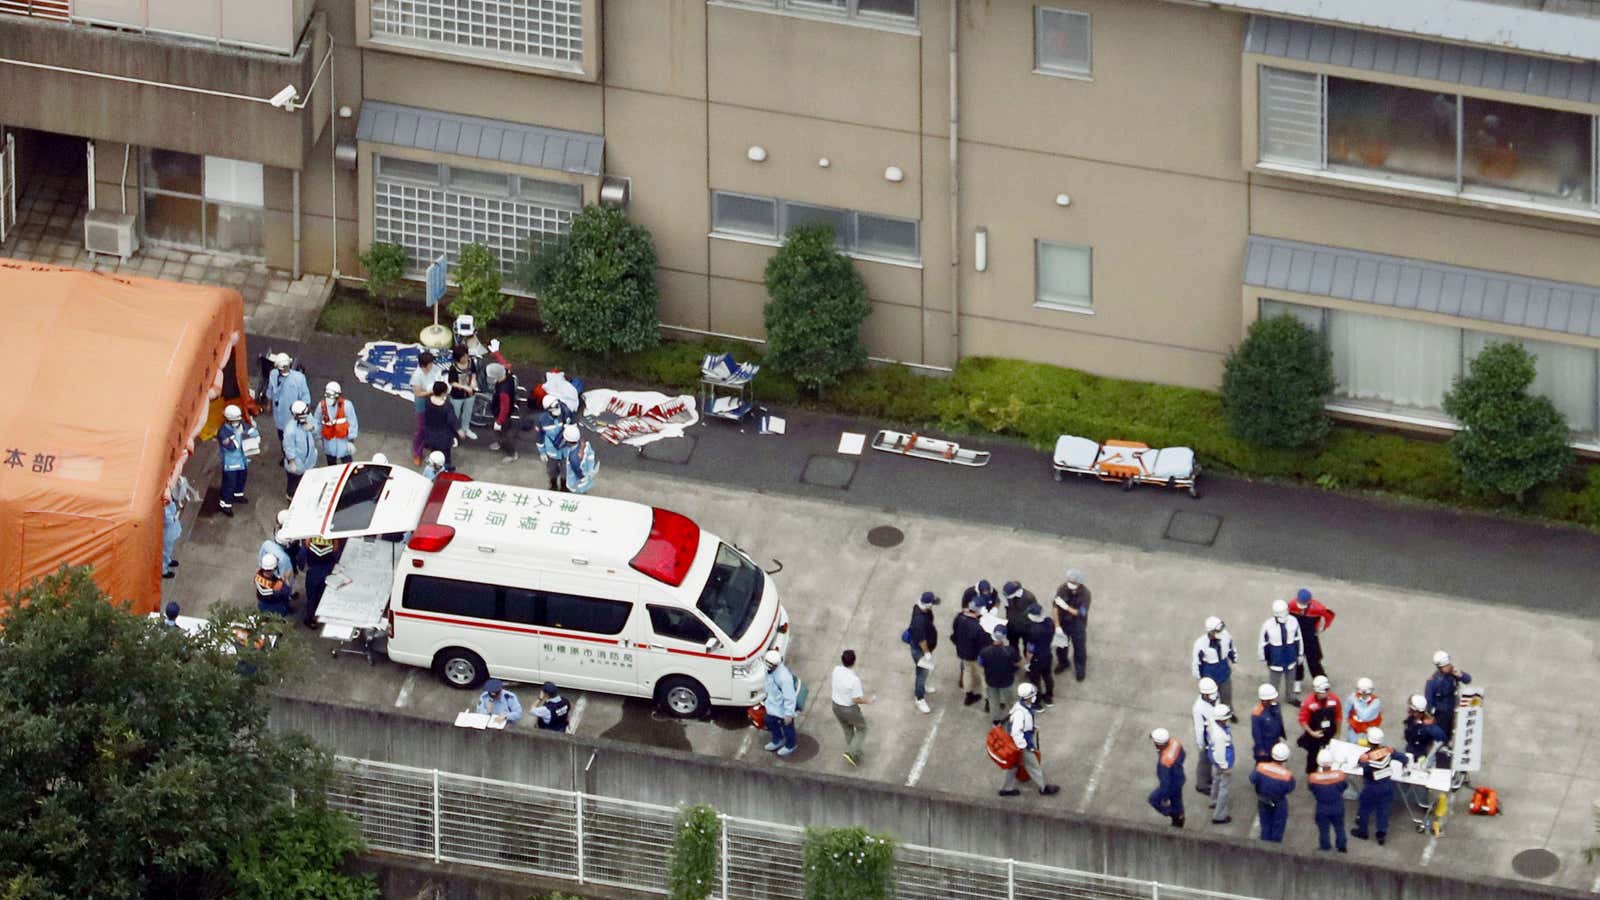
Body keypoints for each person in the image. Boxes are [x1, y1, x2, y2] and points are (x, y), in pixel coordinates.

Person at [998, 682, 1060, 797]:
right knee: (1034, 765)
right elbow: (1016, 732)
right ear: (1029, 696)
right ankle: (1043, 788)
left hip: (1017, 743)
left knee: (1013, 766)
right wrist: (1023, 746)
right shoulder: (1021, 713)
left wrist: (1032, 727)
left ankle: (1006, 789)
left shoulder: (1020, 706)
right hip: (1022, 744)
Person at [1351, 727, 1407, 845]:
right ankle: (1381, 834)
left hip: (1371, 787)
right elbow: (1403, 758)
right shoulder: (1388, 751)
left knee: (1364, 809)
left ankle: (1363, 832)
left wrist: (1360, 760)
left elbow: (1360, 765)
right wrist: (1405, 765)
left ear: (1368, 740)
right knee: (1383, 810)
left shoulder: (1366, 757)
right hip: (1387, 786)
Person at [1287, 588, 1337, 690]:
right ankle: (1297, 682)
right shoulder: (1291, 605)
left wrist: (1323, 628)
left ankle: (1321, 681)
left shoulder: (1318, 607)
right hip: (1296, 637)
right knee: (1296, 660)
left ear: (1309, 601)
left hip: (1310, 638)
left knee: (1314, 660)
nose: (1302, 606)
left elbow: (1330, 615)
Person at [1259, 599, 1303, 707]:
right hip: (1276, 655)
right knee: (1274, 680)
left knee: (1290, 678)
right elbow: (1263, 642)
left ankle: (1290, 697)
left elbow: (1298, 638)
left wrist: (1300, 653)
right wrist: (1263, 657)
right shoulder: (1268, 625)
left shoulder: (1293, 621)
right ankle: (1272, 700)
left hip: (1290, 653)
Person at [830, 649, 871, 766]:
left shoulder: (836, 670)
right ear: (854, 661)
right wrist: (868, 701)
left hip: (835, 706)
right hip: (849, 709)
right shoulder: (854, 680)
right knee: (862, 728)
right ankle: (851, 752)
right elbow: (856, 699)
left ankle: (855, 754)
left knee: (847, 729)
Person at [1250, 742, 1296, 843]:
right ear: (1285, 759)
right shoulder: (1287, 775)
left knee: (1265, 824)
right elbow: (1290, 788)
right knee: (1278, 827)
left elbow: (1252, 779)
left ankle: (1264, 844)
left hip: (1263, 800)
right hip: (1279, 802)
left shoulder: (1261, 767)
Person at [216, 404, 257, 516]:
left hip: (242, 461)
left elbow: (252, 431)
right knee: (229, 484)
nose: (236, 423)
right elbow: (231, 447)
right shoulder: (223, 432)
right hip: (230, 464)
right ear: (227, 420)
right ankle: (225, 504)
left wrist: (253, 432)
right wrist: (239, 433)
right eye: (234, 421)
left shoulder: (240, 424)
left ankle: (238, 495)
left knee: (241, 480)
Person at [408, 349, 448, 465]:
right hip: (422, 404)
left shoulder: (434, 369)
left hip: (433, 402)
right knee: (421, 429)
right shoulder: (417, 376)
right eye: (430, 363)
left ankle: (429, 443)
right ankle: (417, 453)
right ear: (424, 365)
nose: (432, 365)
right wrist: (431, 392)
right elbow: (418, 393)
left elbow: (439, 377)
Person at [1297, 675, 1341, 775]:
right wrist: (1312, 733)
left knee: (1330, 755)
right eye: (1322, 692)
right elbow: (1302, 720)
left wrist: (1338, 733)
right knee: (1312, 756)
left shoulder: (1334, 700)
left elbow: (1338, 717)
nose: (1325, 694)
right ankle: (1311, 774)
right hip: (1314, 733)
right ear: (1316, 691)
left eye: (1326, 691)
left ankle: (1328, 774)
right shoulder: (1308, 702)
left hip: (1330, 731)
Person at [1425, 651, 1472, 745]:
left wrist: (1460, 675)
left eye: (1449, 664)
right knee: (1441, 740)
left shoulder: (1453, 674)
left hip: (1453, 712)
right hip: (1440, 715)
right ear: (1440, 667)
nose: (1449, 666)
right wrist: (1432, 716)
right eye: (1446, 666)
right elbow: (1429, 702)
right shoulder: (1433, 681)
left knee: (1453, 737)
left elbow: (1468, 679)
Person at [1192, 616, 1238, 711]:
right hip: (1210, 675)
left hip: (1224, 672)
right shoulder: (1200, 644)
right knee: (1210, 699)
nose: (1220, 633)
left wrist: (1234, 660)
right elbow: (1196, 663)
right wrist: (1200, 678)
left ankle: (1228, 712)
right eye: (1217, 631)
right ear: (1211, 632)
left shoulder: (1226, 636)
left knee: (1226, 696)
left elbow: (1231, 648)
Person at [1307, 748, 1349, 852]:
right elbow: (1344, 786)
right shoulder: (1340, 775)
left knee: (1323, 830)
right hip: (1337, 805)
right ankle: (1342, 847)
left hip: (1322, 807)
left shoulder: (1313, 778)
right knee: (1339, 827)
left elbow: (1312, 789)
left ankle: (1325, 848)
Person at [264, 352, 310, 447]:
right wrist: (268, 404)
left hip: (293, 416)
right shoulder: (273, 375)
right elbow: (270, 390)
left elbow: (306, 398)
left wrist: (302, 414)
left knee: (294, 438)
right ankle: (285, 454)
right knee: (282, 438)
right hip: (279, 415)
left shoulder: (299, 378)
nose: (284, 371)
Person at [1052, 569, 1090, 681]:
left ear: (1079, 583)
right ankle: (1063, 663)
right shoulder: (1062, 589)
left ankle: (1080, 669)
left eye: (1073, 583)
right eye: (1069, 581)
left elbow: (1080, 613)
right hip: (1063, 622)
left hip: (1078, 624)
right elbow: (1055, 608)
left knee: (1079, 649)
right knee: (1061, 646)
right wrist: (1057, 625)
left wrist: (1066, 607)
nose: (1070, 584)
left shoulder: (1085, 594)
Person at [951, 598, 989, 707]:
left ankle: (969, 695)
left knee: (967, 672)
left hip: (963, 652)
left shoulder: (959, 618)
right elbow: (984, 644)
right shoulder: (978, 627)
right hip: (976, 656)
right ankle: (988, 701)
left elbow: (954, 632)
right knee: (984, 677)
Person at [301, 535, 344, 629]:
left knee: (312, 597)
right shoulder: (332, 541)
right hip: (326, 570)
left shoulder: (311, 538)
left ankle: (310, 618)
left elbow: (305, 549)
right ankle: (315, 614)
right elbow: (336, 550)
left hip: (314, 571)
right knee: (319, 595)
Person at [978, 627, 1019, 724]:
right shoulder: (1010, 651)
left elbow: (980, 663)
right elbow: (1017, 663)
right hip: (1007, 681)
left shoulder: (984, 651)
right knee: (1010, 701)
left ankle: (996, 721)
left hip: (991, 680)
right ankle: (1014, 717)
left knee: (993, 702)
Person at [908, 591, 939, 714]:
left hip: (925, 647)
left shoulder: (922, 609)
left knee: (924, 672)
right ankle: (919, 698)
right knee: (922, 674)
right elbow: (921, 640)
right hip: (919, 651)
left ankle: (924, 687)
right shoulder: (919, 620)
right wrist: (926, 653)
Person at [762, 649, 798, 756]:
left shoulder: (784, 677)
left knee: (788, 728)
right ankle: (778, 739)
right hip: (773, 705)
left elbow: (790, 697)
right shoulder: (770, 671)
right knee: (769, 721)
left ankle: (791, 745)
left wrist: (789, 714)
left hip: (783, 709)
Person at [282, 399, 319, 501]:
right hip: (297, 462)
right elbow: (288, 447)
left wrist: (311, 428)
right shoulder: (290, 429)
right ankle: (291, 497)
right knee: (293, 482)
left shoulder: (308, 418)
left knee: (306, 479)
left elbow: (317, 427)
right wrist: (292, 462)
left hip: (309, 458)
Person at [1148, 728, 1186, 827]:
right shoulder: (1175, 743)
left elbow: (1165, 783)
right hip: (1179, 777)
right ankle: (1179, 817)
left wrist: (1164, 798)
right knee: (1177, 800)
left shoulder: (1165, 761)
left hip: (1172, 783)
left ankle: (1173, 814)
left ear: (1159, 744)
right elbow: (1183, 755)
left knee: (1153, 799)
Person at [1205, 704, 1235, 824]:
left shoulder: (1212, 723)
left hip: (1214, 759)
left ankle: (1214, 801)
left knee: (1216, 780)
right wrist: (1225, 768)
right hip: (1223, 762)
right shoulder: (1219, 736)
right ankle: (1219, 816)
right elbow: (1220, 754)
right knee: (1224, 788)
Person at [1022, 603, 1056, 709]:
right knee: (1047, 676)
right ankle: (1049, 696)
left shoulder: (1032, 630)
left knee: (1035, 680)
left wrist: (1027, 663)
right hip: (1047, 654)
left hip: (1036, 659)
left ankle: (1037, 702)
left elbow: (1030, 650)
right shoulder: (1049, 622)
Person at [422, 381, 462, 470]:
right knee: (446, 456)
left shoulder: (428, 400)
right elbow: (452, 420)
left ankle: (434, 466)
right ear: (443, 393)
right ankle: (447, 469)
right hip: (443, 436)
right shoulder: (446, 406)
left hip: (430, 433)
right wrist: (459, 431)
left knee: (434, 452)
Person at [317, 381, 359, 465]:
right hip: (329, 443)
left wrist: (351, 441)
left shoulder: (347, 405)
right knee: (331, 465)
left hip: (343, 442)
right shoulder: (321, 406)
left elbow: (353, 423)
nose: (329, 400)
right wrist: (318, 438)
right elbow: (317, 422)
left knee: (347, 464)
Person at [1192, 677, 1220, 797]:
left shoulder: (1214, 697)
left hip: (1215, 734)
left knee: (1209, 760)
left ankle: (1207, 778)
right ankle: (1201, 784)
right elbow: (1199, 728)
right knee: (1204, 760)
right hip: (1206, 738)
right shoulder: (1198, 708)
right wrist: (1201, 744)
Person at [485, 362, 519, 461]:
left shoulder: (503, 391)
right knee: (501, 433)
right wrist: (496, 353)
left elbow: (504, 408)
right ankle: (500, 443)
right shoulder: (508, 375)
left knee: (502, 435)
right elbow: (505, 364)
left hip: (502, 415)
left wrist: (499, 422)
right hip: (503, 412)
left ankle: (511, 454)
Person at [446, 344, 480, 441]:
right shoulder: (453, 368)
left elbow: (474, 373)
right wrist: (464, 387)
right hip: (457, 395)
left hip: (470, 393)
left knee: (467, 412)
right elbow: (452, 382)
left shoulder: (470, 362)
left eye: (466, 355)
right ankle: (454, 432)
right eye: (463, 357)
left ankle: (466, 428)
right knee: (455, 414)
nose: (466, 358)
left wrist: (473, 381)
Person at [1403, 693, 1448, 765]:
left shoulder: (1429, 727)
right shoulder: (1411, 719)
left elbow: (1442, 738)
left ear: (1418, 711)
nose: (1409, 711)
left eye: (1411, 710)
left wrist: (1430, 756)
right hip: (1410, 753)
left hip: (1421, 759)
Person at [539, 404, 574, 491]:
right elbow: (540, 437)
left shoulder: (565, 415)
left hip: (565, 450)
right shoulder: (543, 420)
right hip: (552, 451)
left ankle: (564, 486)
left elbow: (573, 432)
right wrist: (542, 452)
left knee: (565, 469)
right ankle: (553, 484)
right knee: (552, 470)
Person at [1251, 683, 1285, 763]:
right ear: (1266, 700)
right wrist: (1261, 749)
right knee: (1263, 764)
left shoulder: (1275, 705)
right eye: (1273, 698)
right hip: (1265, 744)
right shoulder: (1257, 713)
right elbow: (1256, 734)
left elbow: (1278, 719)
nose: (1276, 699)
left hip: (1275, 740)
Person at [1002, 581, 1036, 657]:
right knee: (1013, 645)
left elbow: (1034, 612)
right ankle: (1015, 659)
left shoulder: (1029, 597)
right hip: (1012, 626)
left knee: (1027, 645)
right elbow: (1007, 607)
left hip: (1026, 627)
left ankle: (1028, 659)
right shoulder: (1007, 595)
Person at [1345, 677, 1382, 744]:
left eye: (1366, 694)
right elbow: (1347, 711)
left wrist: (1355, 702)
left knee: (1366, 750)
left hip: (1368, 733)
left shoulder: (1376, 702)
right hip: (1354, 732)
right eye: (1361, 694)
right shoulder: (1352, 698)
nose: (1364, 696)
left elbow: (1364, 716)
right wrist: (1350, 722)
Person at [565, 425, 599, 495]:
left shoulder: (573, 457)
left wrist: (584, 477)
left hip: (576, 484)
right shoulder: (583, 443)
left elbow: (579, 474)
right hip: (587, 475)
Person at [161, 486, 182, 580]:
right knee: (165, 548)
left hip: (169, 526)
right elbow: (166, 514)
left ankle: (167, 561)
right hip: (167, 527)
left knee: (168, 547)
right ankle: (163, 570)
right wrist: (173, 519)